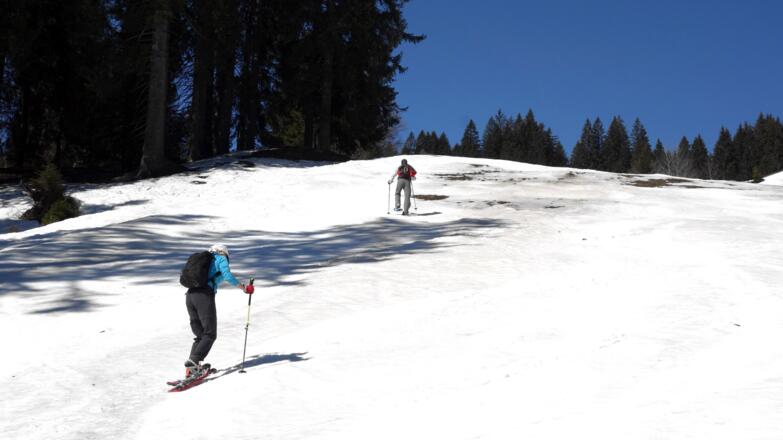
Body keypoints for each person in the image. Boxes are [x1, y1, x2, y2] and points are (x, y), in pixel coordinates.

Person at [184, 244, 253, 377]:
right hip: (203, 296)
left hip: (190, 296)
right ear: (224, 253)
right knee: (210, 334)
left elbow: (217, 277)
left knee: (201, 335)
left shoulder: (204, 261)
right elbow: (227, 276)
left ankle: (192, 369)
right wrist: (244, 288)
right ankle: (194, 361)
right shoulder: (220, 258)